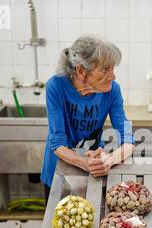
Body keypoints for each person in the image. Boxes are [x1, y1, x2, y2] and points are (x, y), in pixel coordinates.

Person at [40, 35, 135, 203]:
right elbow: (57, 143)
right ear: (81, 71)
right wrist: (84, 162)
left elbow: (127, 137)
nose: (113, 76)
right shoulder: (56, 86)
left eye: (113, 68)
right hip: (58, 172)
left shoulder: (113, 90)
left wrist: (109, 160)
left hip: (94, 172)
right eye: (105, 69)